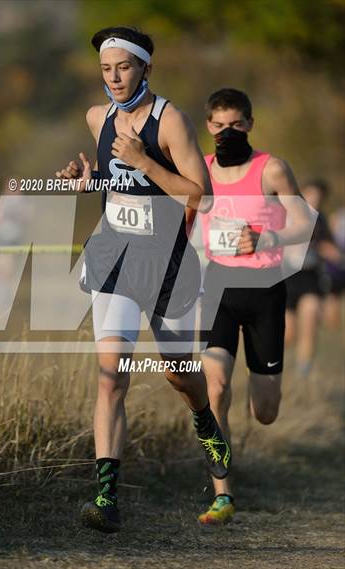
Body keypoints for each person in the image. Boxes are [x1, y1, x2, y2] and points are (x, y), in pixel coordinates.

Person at [56, 27, 231, 533]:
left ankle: (204, 420)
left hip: (166, 262)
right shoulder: (99, 118)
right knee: (111, 375)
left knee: (180, 374)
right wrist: (91, 182)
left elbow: (201, 195)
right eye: (106, 69)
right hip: (115, 256)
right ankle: (106, 499)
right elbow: (118, 185)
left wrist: (144, 161)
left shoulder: (169, 120)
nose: (113, 78)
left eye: (124, 68)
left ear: (145, 69)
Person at [197, 88, 312, 525]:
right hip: (219, 288)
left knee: (265, 413)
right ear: (208, 127)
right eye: (219, 126)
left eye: (236, 125)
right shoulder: (201, 171)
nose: (227, 133)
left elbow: (304, 222)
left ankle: (259, 388)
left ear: (250, 123)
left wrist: (268, 238)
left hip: (265, 290)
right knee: (216, 389)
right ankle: (222, 493)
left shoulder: (272, 169)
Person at [284, 180, 342, 377]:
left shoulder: (321, 220)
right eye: (311, 195)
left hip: (310, 277)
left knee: (310, 318)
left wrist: (332, 253)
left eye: (318, 197)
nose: (314, 200)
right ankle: (272, 371)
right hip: (287, 277)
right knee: (288, 334)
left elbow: (327, 245)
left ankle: (304, 372)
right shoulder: (287, 214)